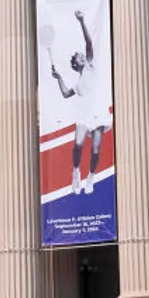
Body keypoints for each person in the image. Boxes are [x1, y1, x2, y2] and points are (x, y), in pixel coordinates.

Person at [49, 10, 111, 195]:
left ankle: (90, 177)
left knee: (96, 150)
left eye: (82, 56)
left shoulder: (91, 67)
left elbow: (89, 43)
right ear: (76, 64)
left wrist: (82, 21)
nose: (82, 57)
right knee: (78, 144)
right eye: (79, 57)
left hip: (99, 113)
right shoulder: (77, 84)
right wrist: (58, 77)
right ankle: (76, 173)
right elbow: (66, 93)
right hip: (84, 115)